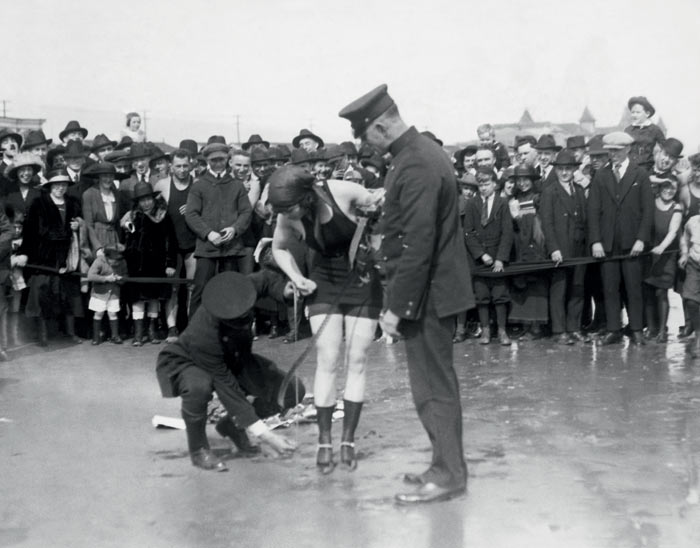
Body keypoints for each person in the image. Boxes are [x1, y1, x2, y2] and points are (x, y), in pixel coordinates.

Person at [339, 84, 474, 504]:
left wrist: (397, 308)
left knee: (434, 387)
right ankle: (442, 463)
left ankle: (450, 474)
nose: (366, 145)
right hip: (429, 291)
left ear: (380, 125)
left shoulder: (415, 163)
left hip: (428, 295)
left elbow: (418, 243)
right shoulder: (415, 157)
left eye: (366, 136)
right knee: (429, 386)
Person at [270, 165, 383, 473]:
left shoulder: (341, 191)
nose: (288, 215)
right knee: (327, 358)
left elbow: (380, 207)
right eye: (283, 211)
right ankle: (324, 441)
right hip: (323, 281)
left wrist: (376, 209)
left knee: (357, 359)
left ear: (306, 196)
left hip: (361, 279)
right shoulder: (286, 213)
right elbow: (278, 248)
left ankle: (347, 440)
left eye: (290, 208)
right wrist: (295, 276)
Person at [156, 271, 300, 470]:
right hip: (188, 361)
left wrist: (284, 291)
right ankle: (199, 450)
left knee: (292, 390)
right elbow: (227, 389)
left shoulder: (240, 288)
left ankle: (232, 426)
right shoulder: (205, 335)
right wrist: (267, 435)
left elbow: (266, 280)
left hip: (236, 357)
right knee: (199, 387)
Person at [587, 131, 654, 345]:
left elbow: (648, 211)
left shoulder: (640, 175)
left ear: (627, 150)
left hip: (632, 243)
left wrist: (641, 239)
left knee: (633, 287)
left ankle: (636, 329)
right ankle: (613, 329)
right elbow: (593, 211)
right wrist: (596, 241)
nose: (612, 155)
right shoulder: (601, 176)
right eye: (610, 151)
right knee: (610, 287)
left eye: (616, 151)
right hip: (607, 244)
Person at [15, 169, 87, 346]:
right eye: (57, 185)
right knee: (42, 294)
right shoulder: (38, 204)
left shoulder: (72, 203)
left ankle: (70, 332)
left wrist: (78, 225)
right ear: (49, 186)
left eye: (63, 185)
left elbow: (81, 224)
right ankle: (43, 335)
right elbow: (30, 231)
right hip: (44, 256)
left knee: (69, 295)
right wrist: (25, 252)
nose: (60, 188)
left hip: (67, 255)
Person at [185, 143, 253, 318]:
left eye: (221, 159)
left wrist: (234, 228)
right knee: (201, 290)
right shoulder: (199, 185)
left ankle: (226, 331)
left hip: (231, 248)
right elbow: (191, 214)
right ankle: (194, 332)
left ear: (227, 160)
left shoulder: (236, 185)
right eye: (213, 160)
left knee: (229, 290)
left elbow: (246, 211)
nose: (218, 164)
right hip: (207, 249)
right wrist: (209, 233)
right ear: (207, 161)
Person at [540, 150, 589, 344]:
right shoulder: (550, 192)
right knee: (559, 289)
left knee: (577, 288)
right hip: (560, 247)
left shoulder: (578, 190)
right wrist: (554, 248)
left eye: (568, 169)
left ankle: (574, 327)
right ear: (556, 170)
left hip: (579, 247)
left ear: (574, 170)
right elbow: (547, 223)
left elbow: (584, 220)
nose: (564, 173)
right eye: (561, 169)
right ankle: (559, 330)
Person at [121, 182, 177, 346]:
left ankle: (152, 331)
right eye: (142, 200)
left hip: (158, 263)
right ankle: (139, 333)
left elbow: (171, 240)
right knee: (138, 298)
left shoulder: (163, 215)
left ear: (153, 199)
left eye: (148, 199)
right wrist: (126, 230)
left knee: (154, 297)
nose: (146, 203)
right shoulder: (132, 216)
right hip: (137, 264)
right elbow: (127, 241)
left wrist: (170, 263)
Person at [464, 166, 514, 346]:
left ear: (495, 184)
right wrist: (480, 254)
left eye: (487, 184)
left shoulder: (502, 203)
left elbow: (507, 233)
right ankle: (485, 329)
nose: (483, 188)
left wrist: (500, 258)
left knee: (500, 295)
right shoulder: (472, 204)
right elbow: (468, 232)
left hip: (497, 257)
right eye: (480, 185)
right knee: (482, 296)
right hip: (478, 259)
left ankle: (502, 330)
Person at [154, 149, 197, 342]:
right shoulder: (163, 185)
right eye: (178, 166)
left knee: (192, 286)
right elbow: (150, 211)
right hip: (171, 244)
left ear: (191, 165)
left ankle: (191, 325)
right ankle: (172, 327)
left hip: (193, 243)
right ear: (171, 166)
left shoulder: (198, 185)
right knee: (172, 287)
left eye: (185, 166)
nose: (182, 170)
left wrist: (194, 208)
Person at [507, 165, 548, 341]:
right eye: (519, 180)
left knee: (536, 286)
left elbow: (539, 225)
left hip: (535, 245)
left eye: (526, 179)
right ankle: (525, 324)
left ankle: (537, 326)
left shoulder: (538, 198)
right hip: (519, 246)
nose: (522, 183)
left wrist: (518, 217)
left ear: (532, 180)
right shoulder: (514, 198)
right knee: (522, 285)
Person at [643, 176, 682, 342]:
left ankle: (661, 331)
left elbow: (673, 232)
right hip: (649, 252)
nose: (668, 191)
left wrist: (661, 248)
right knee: (648, 290)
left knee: (661, 292)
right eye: (665, 187)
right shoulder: (651, 202)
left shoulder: (676, 208)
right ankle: (651, 328)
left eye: (672, 188)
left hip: (666, 255)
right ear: (659, 188)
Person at [81, 162, 127, 256]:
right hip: (97, 237)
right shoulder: (89, 194)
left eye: (111, 176)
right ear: (99, 177)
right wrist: (97, 247)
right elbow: (89, 225)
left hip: (113, 238)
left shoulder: (116, 194)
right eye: (105, 176)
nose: (108, 179)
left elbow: (117, 222)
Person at [86, 244, 126, 345]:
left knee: (113, 313)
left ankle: (115, 336)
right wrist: (105, 279)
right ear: (107, 257)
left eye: (118, 258)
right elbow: (90, 276)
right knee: (98, 313)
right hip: (100, 293)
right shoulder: (99, 261)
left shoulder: (122, 262)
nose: (116, 262)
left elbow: (125, 275)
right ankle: (95, 337)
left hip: (114, 292)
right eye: (113, 259)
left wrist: (120, 279)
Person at [625, 96, 665, 171]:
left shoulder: (654, 129)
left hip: (647, 167)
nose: (634, 115)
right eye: (632, 112)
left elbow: (665, 148)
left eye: (638, 112)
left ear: (647, 114)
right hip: (630, 168)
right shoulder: (628, 130)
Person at [3, 152, 43, 220]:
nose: (26, 173)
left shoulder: (40, 190)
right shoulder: (7, 191)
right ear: (16, 172)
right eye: (22, 169)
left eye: (29, 169)